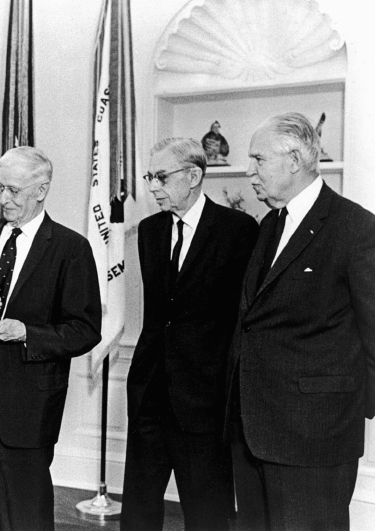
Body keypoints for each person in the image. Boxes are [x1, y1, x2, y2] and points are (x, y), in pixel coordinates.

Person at [226, 112, 375, 530]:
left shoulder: (355, 227)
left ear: (294, 160)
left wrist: (345, 409)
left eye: (258, 159)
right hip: (254, 430)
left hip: (315, 436)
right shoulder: (270, 224)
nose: (249, 171)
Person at [0, 146, 101, 531]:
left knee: (24, 509)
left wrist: (25, 333)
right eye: (0, 187)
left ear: (41, 189)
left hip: (26, 399)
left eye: (14, 190)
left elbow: (84, 329)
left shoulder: (71, 248)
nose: (4, 199)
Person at [120, 138, 258, 531]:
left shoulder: (238, 230)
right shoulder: (149, 230)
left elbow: (241, 319)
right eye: (150, 177)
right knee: (138, 512)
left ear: (194, 176)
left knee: (206, 513)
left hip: (205, 402)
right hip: (149, 394)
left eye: (160, 177)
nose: (153, 187)